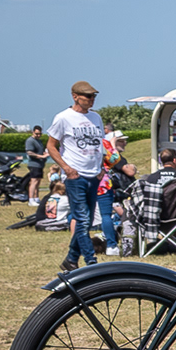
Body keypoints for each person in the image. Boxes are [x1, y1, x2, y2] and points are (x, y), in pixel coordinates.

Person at [46, 80, 119, 267]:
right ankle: (91, 261)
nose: (91, 99)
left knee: (84, 221)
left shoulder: (96, 118)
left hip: (94, 175)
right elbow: (51, 146)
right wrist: (67, 169)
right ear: (75, 96)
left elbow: (100, 144)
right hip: (75, 176)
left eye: (93, 96)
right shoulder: (63, 118)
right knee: (83, 219)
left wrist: (102, 168)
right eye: (88, 96)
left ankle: (71, 259)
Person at [23, 125, 46, 206]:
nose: (38, 135)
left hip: (40, 164)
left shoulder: (39, 141)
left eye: (40, 134)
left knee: (38, 181)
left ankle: (36, 198)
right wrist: (41, 156)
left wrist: (44, 154)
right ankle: (31, 199)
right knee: (33, 181)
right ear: (33, 132)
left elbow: (40, 151)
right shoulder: (30, 141)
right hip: (34, 164)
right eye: (37, 134)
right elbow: (29, 152)